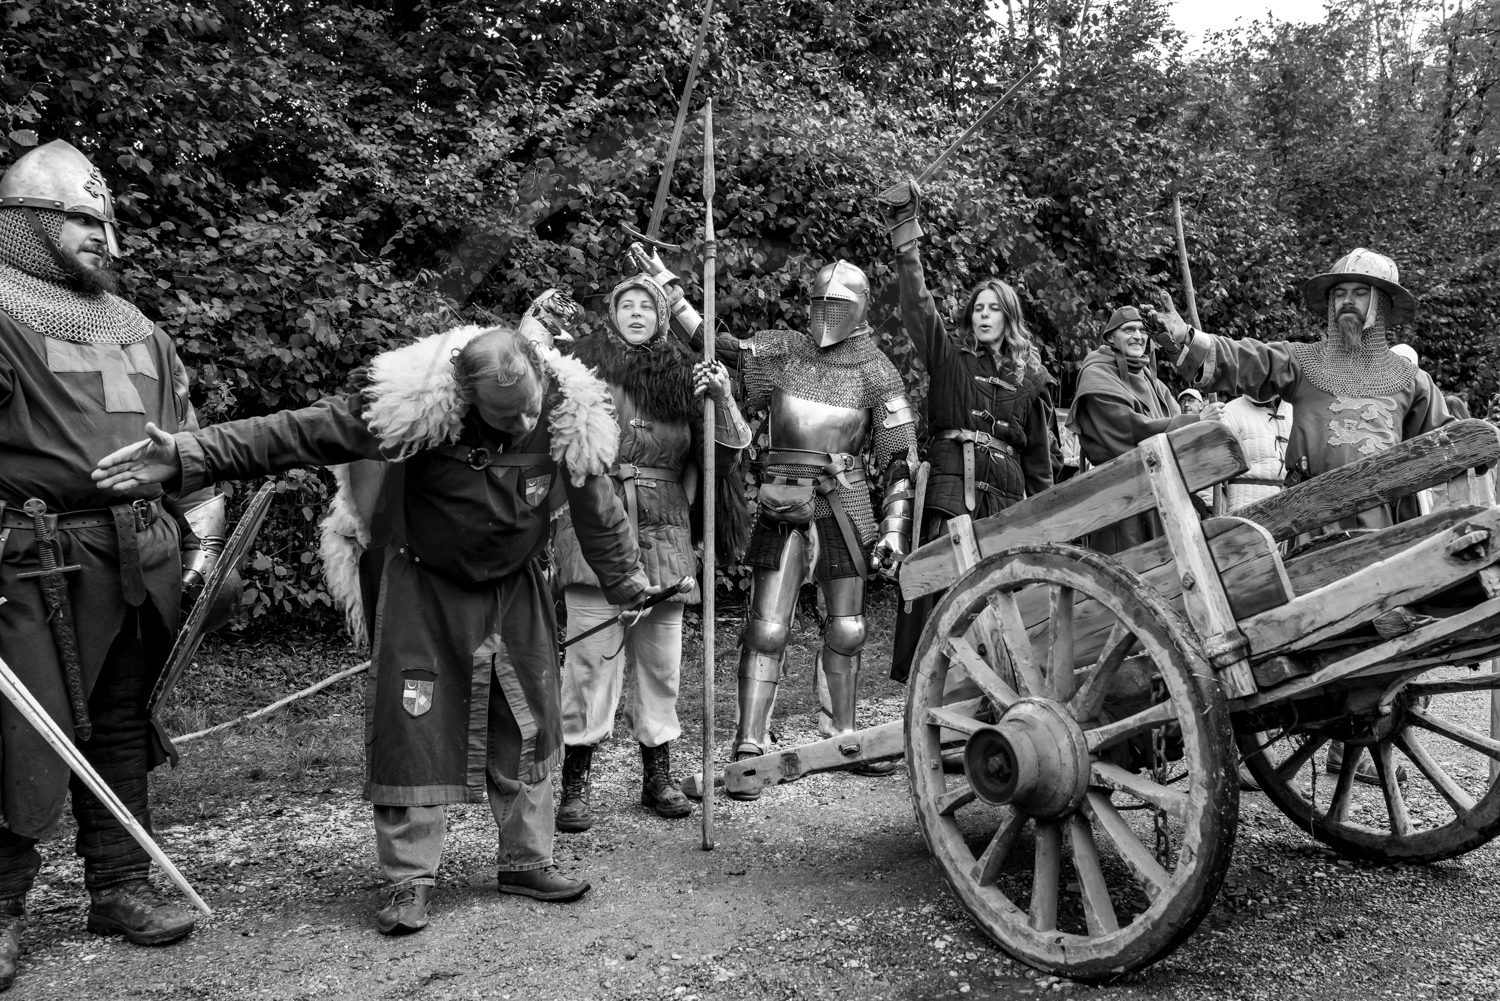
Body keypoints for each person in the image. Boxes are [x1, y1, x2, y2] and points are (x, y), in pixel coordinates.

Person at [92, 319, 653, 935]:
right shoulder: (410, 406)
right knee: (413, 725)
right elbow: (297, 432)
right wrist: (189, 455)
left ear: (541, 375)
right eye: (504, 418)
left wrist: (625, 583)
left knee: (527, 720)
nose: (523, 427)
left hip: (514, 592)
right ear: (466, 401)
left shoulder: (570, 410)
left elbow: (595, 505)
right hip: (425, 589)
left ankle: (527, 859)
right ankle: (408, 880)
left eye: (528, 412)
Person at [0, 140, 243, 987]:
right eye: (86, 219)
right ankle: (0, 907)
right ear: (29, 222)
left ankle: (120, 884)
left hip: (139, 554)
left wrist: (205, 541)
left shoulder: (142, 331)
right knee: (20, 734)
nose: (108, 237)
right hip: (33, 562)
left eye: (110, 221)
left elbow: (190, 451)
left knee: (121, 723)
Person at [1147, 247, 1450, 783]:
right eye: (1339, 295)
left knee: (1379, 634)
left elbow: (1446, 447)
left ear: (1381, 306)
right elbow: (1250, 360)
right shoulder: (1306, 363)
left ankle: (1356, 728)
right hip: (1313, 528)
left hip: (1385, 530)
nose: (1348, 304)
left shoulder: (1409, 380)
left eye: (1360, 293)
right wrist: (1189, 340)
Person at [552, 267, 749, 832]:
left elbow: (729, 449)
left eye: (647, 304)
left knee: (661, 666)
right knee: (589, 664)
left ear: (662, 317)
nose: (636, 312)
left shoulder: (687, 378)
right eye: (626, 304)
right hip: (596, 525)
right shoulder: (583, 370)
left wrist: (723, 395)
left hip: (665, 532)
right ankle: (576, 783)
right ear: (611, 315)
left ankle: (657, 776)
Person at [728, 259, 918, 793]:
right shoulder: (784, 351)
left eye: (836, 305)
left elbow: (900, 458)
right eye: (818, 304)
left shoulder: (877, 370)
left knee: (848, 628)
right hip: (783, 492)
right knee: (766, 626)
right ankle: (750, 737)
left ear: (859, 309)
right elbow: (716, 346)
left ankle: (842, 732)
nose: (824, 315)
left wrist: (894, 529)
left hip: (845, 499)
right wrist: (667, 294)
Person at [877, 181, 1053, 682]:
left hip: (1007, 503)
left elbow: (1040, 464)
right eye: (978, 308)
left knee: (1000, 604)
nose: (983, 315)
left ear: (1009, 316)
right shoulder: (949, 358)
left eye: (993, 308)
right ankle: (930, 698)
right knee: (941, 599)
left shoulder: (1031, 379)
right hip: (951, 496)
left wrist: (1042, 521)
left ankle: (992, 692)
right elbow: (917, 306)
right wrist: (906, 239)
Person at [1065, 306, 1214, 552]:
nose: (1138, 336)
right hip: (1121, 496)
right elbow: (1127, 431)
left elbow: (1179, 432)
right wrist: (1194, 421)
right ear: (1110, 337)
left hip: (1161, 494)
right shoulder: (1097, 375)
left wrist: (1204, 424)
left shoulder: (1154, 383)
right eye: (1128, 330)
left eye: (1143, 330)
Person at [1216, 393, 1293, 510]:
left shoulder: (1294, 408)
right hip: (1246, 503)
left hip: (1292, 499)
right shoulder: (1229, 411)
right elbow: (1215, 465)